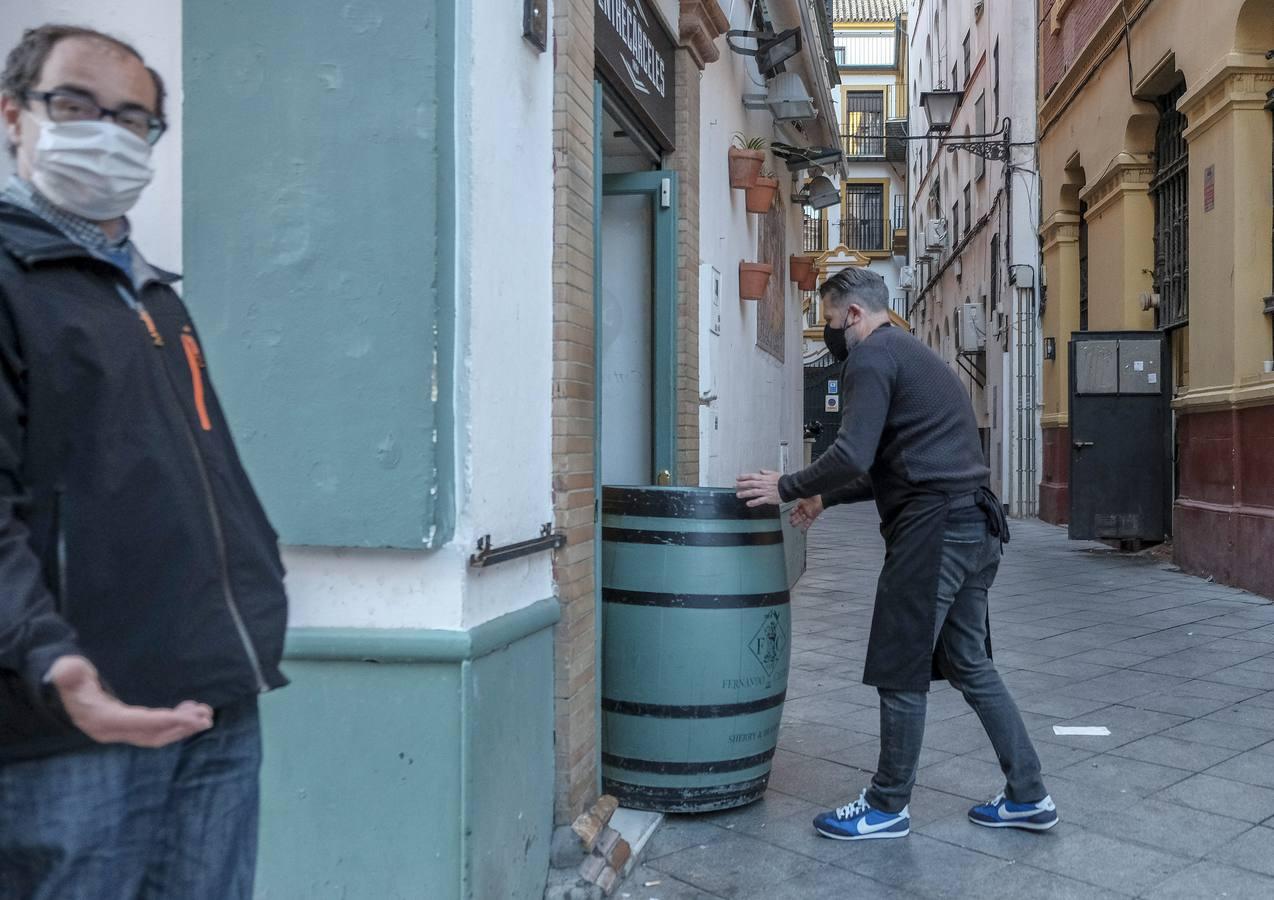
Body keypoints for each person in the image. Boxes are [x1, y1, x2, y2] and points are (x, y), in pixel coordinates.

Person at [0, 25, 287, 897]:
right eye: (76, 105)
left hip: (214, 697)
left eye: (134, 119)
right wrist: (53, 664)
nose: (108, 132)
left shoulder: (152, 291)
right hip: (70, 725)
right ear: (14, 115)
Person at [737, 268, 1056, 841]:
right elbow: (892, 464)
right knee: (968, 662)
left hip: (936, 530)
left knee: (900, 665)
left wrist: (787, 484)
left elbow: (853, 453)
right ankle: (1029, 795)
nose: (830, 333)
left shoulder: (872, 357)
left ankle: (887, 805)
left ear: (854, 314)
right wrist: (823, 497)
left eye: (831, 321)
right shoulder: (910, 352)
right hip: (973, 525)